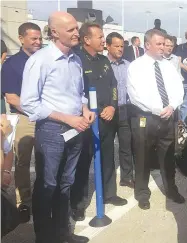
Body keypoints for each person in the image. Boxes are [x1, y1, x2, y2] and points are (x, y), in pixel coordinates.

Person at [20, 11, 94, 243]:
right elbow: (29, 103)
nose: (76, 33)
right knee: (48, 185)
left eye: (76, 28)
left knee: (66, 184)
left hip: (76, 130)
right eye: (70, 29)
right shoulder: (40, 60)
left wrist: (84, 109)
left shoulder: (76, 59)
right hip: (52, 132)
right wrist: (67, 118)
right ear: (54, 32)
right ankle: (44, 237)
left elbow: (78, 93)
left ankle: (63, 234)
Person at [71, 22, 126, 222]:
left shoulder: (103, 60)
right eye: (100, 37)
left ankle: (110, 193)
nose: (104, 40)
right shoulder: (76, 61)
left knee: (107, 157)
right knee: (83, 162)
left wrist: (112, 105)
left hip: (106, 118)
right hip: (86, 120)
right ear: (87, 39)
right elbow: (74, 91)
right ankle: (78, 204)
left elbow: (113, 85)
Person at [127, 29, 185, 210]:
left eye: (164, 44)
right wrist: (156, 109)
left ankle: (171, 189)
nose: (163, 47)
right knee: (143, 156)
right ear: (147, 45)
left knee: (168, 156)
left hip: (167, 117)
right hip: (146, 118)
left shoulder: (168, 66)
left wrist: (173, 106)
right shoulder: (136, 66)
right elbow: (134, 94)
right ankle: (142, 193)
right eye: (159, 44)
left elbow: (178, 88)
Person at [1, 22, 42, 222]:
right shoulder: (12, 64)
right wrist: (37, 111)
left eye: (40, 38)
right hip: (24, 118)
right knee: (23, 162)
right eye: (33, 38)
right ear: (21, 39)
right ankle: (24, 202)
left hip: (46, 118)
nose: (38, 42)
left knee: (47, 159)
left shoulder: (44, 60)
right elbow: (11, 97)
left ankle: (44, 197)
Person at [106, 32, 134, 188]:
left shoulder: (129, 66)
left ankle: (127, 177)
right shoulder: (103, 64)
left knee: (126, 146)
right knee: (108, 148)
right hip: (108, 113)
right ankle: (107, 180)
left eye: (122, 46)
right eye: (116, 46)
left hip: (124, 111)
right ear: (108, 46)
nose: (120, 49)